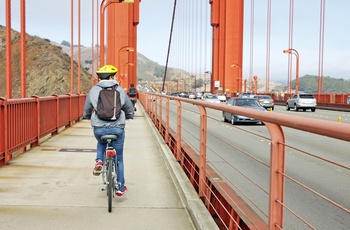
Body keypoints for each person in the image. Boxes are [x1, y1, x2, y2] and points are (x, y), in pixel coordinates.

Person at [83, 64, 134, 197]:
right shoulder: (120, 90)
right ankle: (120, 187)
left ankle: (99, 160)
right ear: (112, 76)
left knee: (101, 142)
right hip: (117, 128)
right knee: (119, 158)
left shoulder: (94, 90)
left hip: (99, 128)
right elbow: (128, 107)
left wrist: (87, 116)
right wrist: (129, 116)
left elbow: (87, 108)